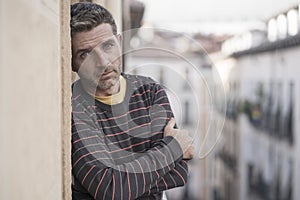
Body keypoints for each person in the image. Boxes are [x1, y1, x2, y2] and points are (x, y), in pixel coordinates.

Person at [70, 2, 194, 200]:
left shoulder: (150, 92)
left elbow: (178, 173)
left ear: (119, 42)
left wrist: (125, 180)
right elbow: (110, 188)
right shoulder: (75, 108)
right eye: (85, 54)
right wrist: (172, 148)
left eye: (108, 46)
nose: (102, 62)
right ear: (72, 63)